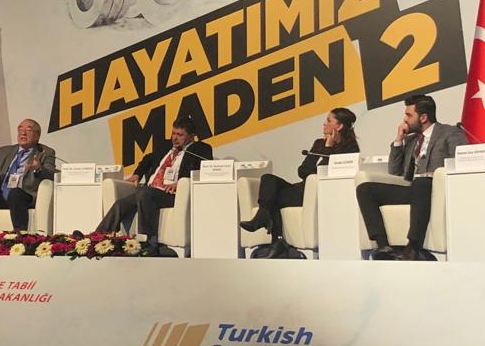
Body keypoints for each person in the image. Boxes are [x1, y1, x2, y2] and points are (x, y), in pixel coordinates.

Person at [356, 94, 467, 260]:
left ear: (423, 117)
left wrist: (435, 174)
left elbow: (461, 160)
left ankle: (413, 247)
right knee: (365, 189)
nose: (405, 119)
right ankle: (384, 247)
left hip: (435, 190)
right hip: (414, 189)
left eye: (409, 115)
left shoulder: (450, 133)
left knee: (421, 182)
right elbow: (394, 171)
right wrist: (399, 140)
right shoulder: (411, 140)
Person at [241, 108, 359, 258]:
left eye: (329, 120)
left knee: (272, 198)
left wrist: (328, 148)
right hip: (302, 190)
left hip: (316, 196)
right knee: (268, 179)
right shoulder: (318, 143)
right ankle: (265, 219)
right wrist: (322, 152)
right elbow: (302, 171)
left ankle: (274, 237)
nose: (324, 123)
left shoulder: (350, 148)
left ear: (339, 126)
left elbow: (326, 172)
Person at [95, 117, 212, 253]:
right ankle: (98, 238)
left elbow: (204, 171)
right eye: (173, 133)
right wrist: (137, 174)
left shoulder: (200, 149)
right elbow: (148, 159)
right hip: (149, 191)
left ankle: (148, 243)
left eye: (180, 135)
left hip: (171, 194)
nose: (174, 138)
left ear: (191, 136)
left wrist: (181, 182)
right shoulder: (165, 146)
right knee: (121, 204)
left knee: (145, 193)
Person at [0, 119, 56, 235]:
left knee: (15, 193)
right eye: (20, 129)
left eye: (28, 130)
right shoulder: (5, 151)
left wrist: (38, 168)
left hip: (25, 196)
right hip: (2, 195)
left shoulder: (45, 152)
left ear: (37, 135)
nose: (23, 133)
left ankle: (20, 234)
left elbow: (51, 174)